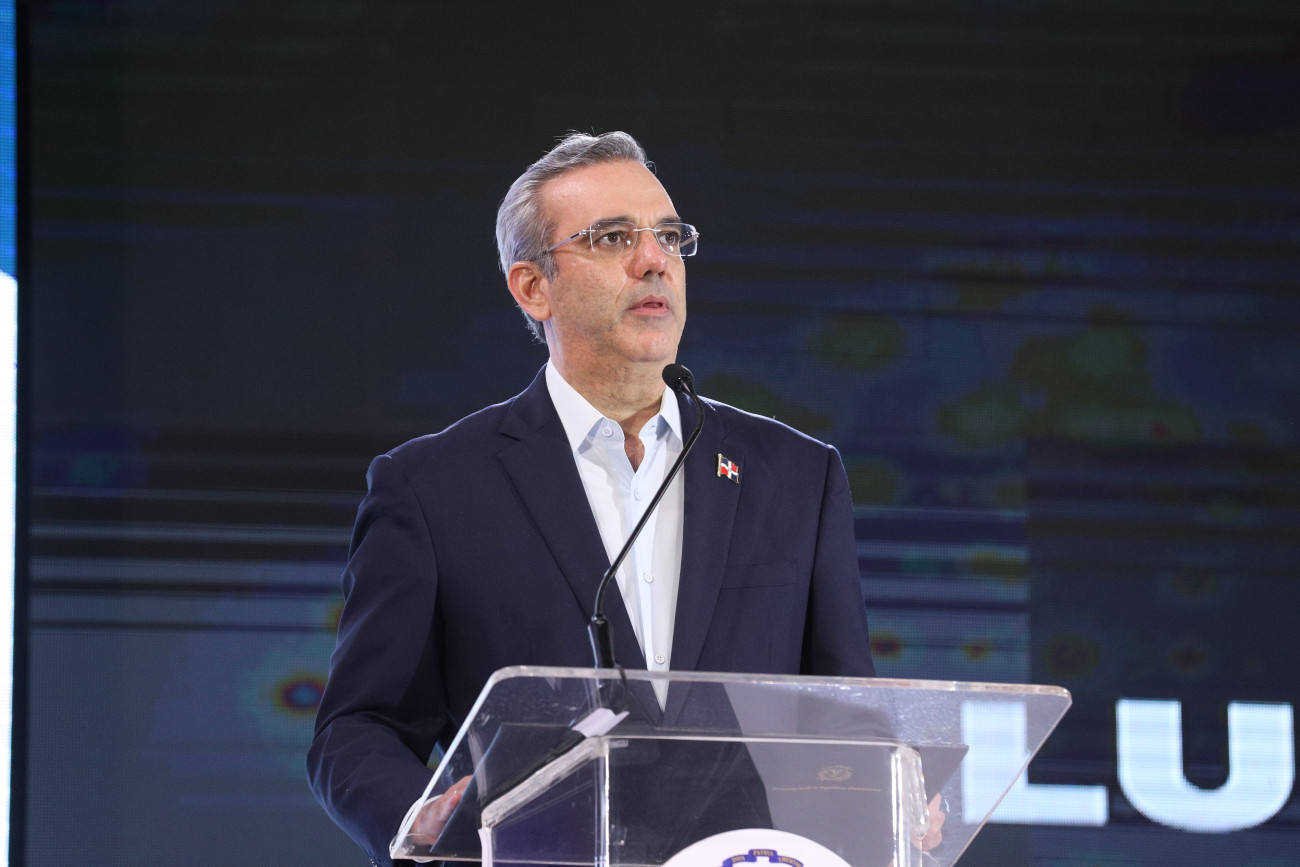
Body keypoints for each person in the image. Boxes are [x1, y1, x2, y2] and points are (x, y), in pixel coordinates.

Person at [307, 131, 877, 867]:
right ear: (532, 287)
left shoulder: (797, 475)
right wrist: (425, 823)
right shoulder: (433, 489)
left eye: (669, 236)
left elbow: (847, 718)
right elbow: (360, 726)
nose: (654, 259)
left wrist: (886, 791)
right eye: (613, 238)